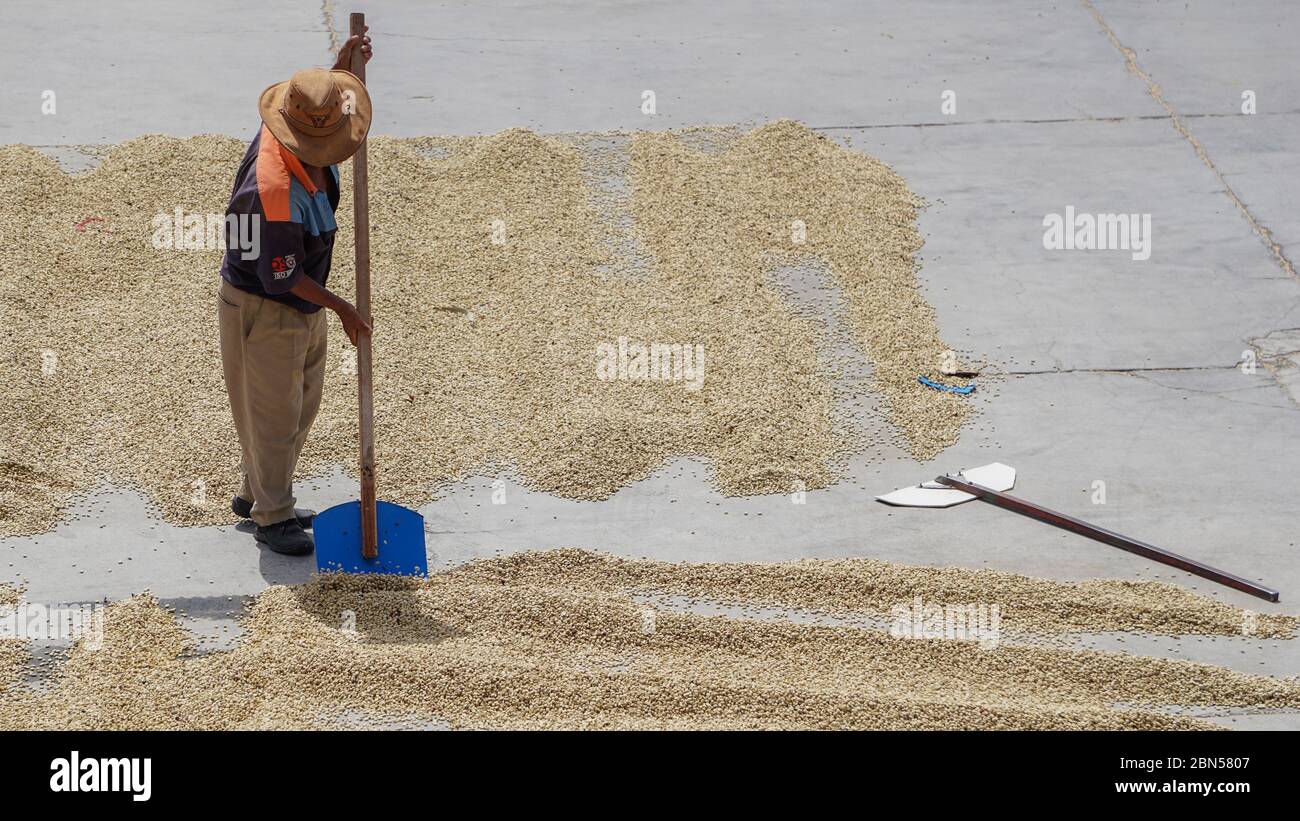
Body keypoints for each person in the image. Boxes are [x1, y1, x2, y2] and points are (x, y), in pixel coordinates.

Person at [217, 32, 374, 555]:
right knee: (275, 417)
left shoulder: (294, 123)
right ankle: (272, 516)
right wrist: (344, 307)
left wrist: (342, 69)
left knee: (294, 408)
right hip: (267, 305)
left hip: (299, 297)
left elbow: (315, 106)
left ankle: (256, 492)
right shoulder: (270, 196)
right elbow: (281, 276)